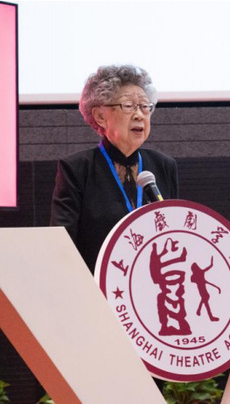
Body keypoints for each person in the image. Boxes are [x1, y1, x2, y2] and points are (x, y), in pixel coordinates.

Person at [50, 65, 178, 273]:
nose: (139, 115)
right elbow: (62, 244)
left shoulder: (163, 166)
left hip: (153, 282)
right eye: (128, 106)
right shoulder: (77, 169)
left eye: (145, 106)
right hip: (96, 284)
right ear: (100, 116)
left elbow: (174, 235)